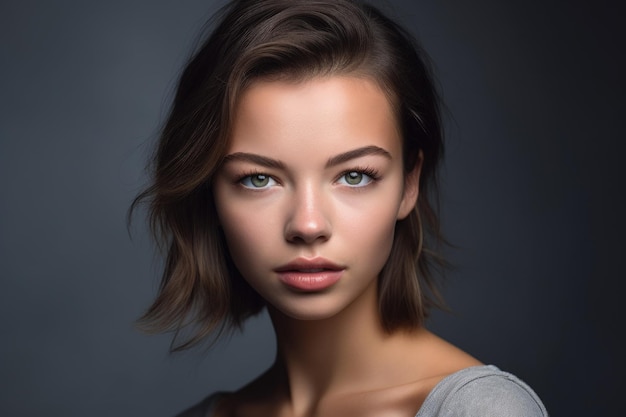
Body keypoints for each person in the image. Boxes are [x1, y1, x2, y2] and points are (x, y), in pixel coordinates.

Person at [132, 1, 549, 416]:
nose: (308, 225)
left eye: (354, 176)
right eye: (259, 178)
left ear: (409, 184)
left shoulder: (483, 410)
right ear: (209, 194)